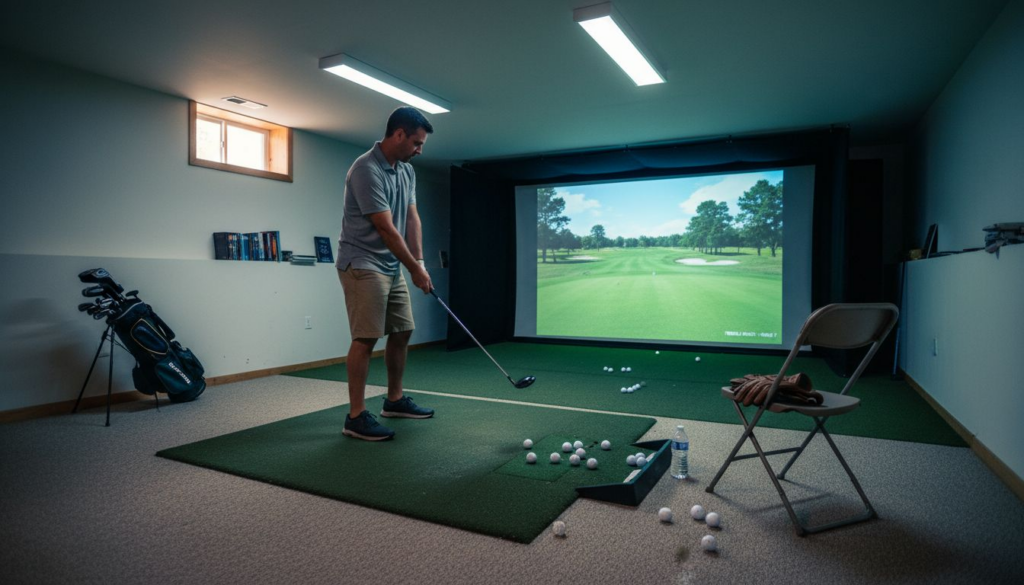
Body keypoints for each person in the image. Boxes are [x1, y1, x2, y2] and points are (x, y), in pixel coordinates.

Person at [336, 106, 435, 441]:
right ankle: (355, 417)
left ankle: (394, 400)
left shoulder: (406, 171)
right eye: (417, 142)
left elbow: (411, 219)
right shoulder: (365, 169)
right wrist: (414, 270)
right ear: (398, 135)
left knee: (403, 329)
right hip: (362, 262)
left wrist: (418, 263)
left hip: (390, 265)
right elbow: (386, 228)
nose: (420, 149)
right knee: (366, 338)